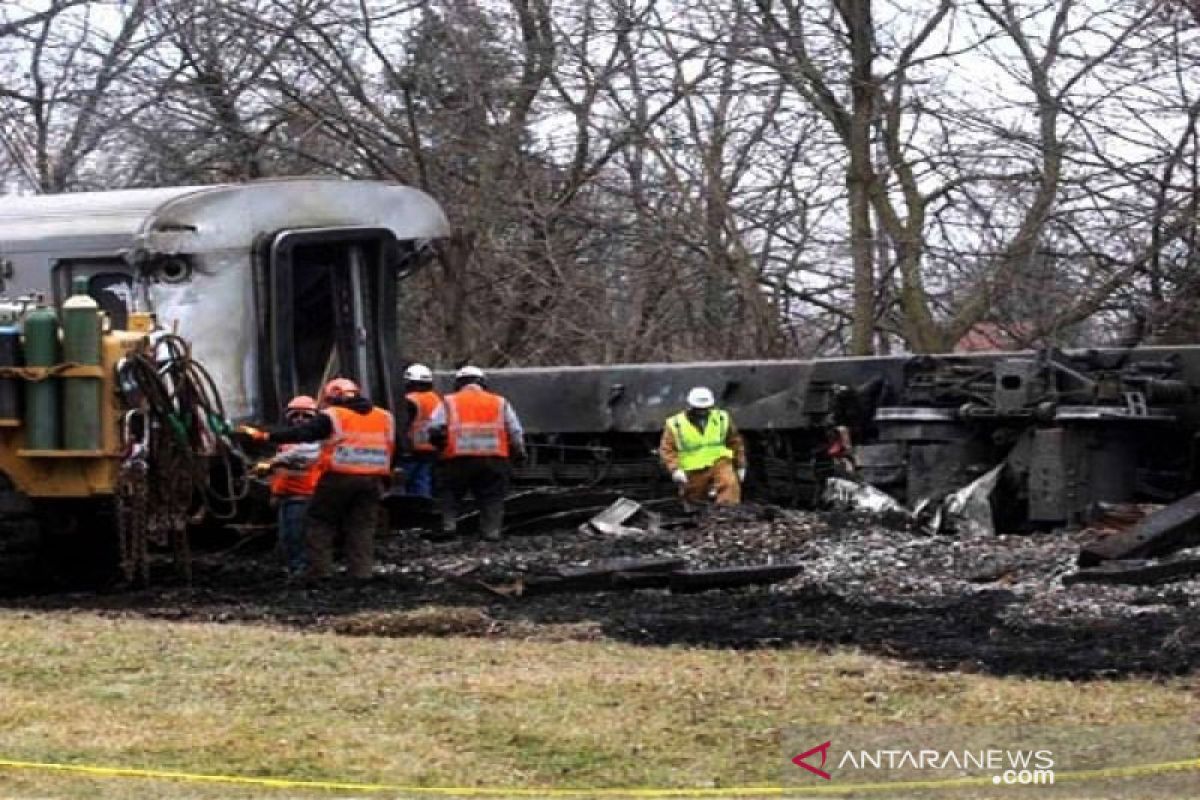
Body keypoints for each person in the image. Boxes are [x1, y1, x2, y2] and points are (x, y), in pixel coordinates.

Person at [240, 378, 395, 581]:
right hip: (373, 480)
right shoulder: (384, 416)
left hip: (339, 477)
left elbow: (303, 434)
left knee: (320, 522)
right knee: (361, 527)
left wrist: (265, 436)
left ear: (333, 397)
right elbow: (394, 446)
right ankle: (361, 574)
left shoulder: (334, 415)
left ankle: (319, 572)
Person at [428, 365, 526, 541]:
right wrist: (519, 453)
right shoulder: (500, 402)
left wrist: (439, 446)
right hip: (493, 458)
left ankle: (449, 526)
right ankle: (491, 532)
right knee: (492, 496)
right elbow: (515, 431)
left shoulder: (449, 401)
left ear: (458, 384)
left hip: (457, 459)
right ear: (483, 383)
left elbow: (435, 427)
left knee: (450, 494)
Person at [659, 386, 747, 506]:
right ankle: (700, 517)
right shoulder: (676, 424)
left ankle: (727, 515)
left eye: (705, 409)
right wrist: (675, 469)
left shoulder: (722, 418)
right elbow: (667, 449)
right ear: (690, 406)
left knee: (729, 485)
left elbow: (735, 442)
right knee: (695, 499)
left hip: (719, 462)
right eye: (698, 409)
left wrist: (740, 465)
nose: (702, 412)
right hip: (692, 468)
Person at [266, 395, 323, 578]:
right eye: (295, 415)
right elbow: (281, 474)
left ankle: (302, 569)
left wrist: (273, 462)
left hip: (304, 495)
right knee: (288, 537)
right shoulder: (286, 441)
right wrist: (275, 493)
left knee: (298, 537)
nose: (300, 419)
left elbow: (299, 459)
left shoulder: (314, 442)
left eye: (306, 416)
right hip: (287, 496)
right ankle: (294, 568)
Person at [399, 363, 441, 498]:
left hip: (411, 450)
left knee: (403, 486)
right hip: (432, 449)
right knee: (422, 485)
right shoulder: (437, 399)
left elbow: (402, 424)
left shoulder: (410, 400)